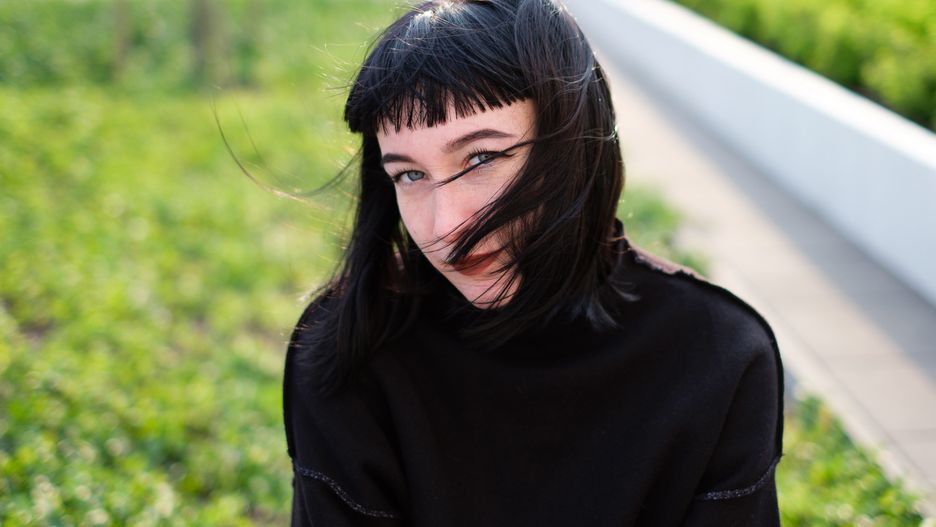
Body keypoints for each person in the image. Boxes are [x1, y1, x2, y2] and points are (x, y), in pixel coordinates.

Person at [282, 0, 784, 525]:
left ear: (575, 144)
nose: (445, 226)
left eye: (481, 158)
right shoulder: (349, 350)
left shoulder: (715, 354)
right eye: (410, 175)